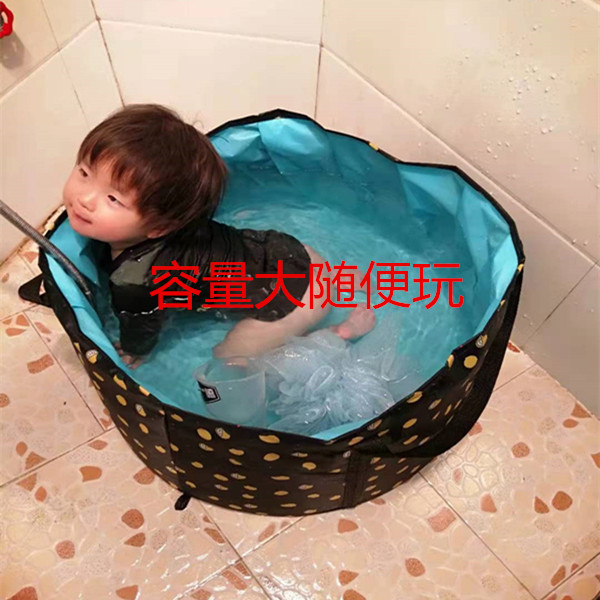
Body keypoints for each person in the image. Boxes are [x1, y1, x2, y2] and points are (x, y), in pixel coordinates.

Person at [63, 104, 376, 368]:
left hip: (294, 300)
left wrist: (136, 349)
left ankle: (337, 335)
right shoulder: (175, 220)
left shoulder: (134, 281)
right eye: (84, 173)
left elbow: (141, 326)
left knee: (228, 359)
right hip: (294, 253)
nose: (84, 198)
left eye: (113, 199)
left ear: (159, 228)